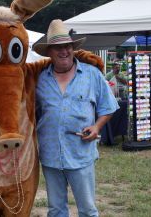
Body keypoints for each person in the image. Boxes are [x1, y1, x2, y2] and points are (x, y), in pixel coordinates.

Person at [33, 19, 119, 217]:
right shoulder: (39, 80)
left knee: (88, 210)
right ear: (49, 52)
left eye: (67, 46)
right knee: (56, 210)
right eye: (58, 48)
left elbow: (109, 106)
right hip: (50, 154)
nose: (64, 51)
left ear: (73, 48)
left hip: (80, 153)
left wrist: (97, 126)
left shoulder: (92, 75)